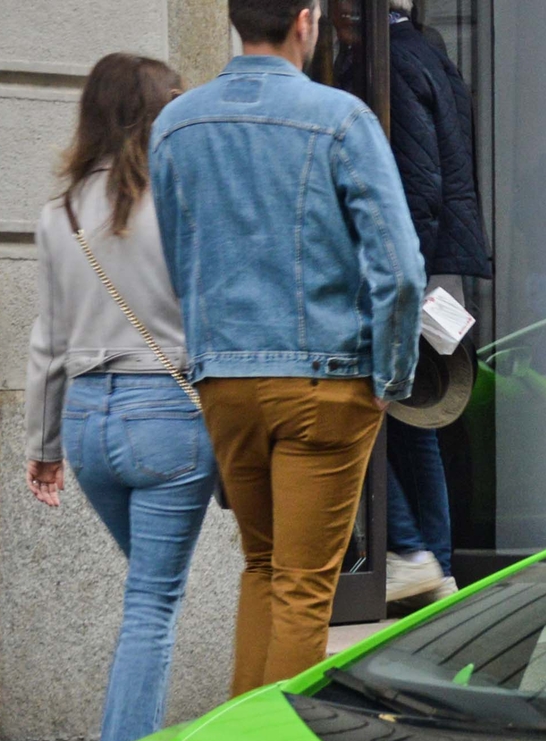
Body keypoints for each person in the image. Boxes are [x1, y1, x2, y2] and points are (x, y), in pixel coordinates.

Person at [150, 0, 424, 697]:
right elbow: (400, 270)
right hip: (324, 381)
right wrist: (389, 376)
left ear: (234, 23)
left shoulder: (176, 125)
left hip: (226, 381)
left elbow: (178, 262)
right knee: (305, 585)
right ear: (306, 21)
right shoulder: (341, 120)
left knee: (262, 567)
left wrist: (209, 358)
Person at [25, 54, 214, 741]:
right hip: (166, 413)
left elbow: (47, 339)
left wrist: (42, 446)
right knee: (153, 603)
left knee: (150, 589)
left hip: (86, 423)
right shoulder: (183, 198)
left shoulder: (61, 212)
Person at [333, 0, 489, 603]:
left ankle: (414, 552)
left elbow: (418, 181)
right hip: (431, 261)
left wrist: (404, 270)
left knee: (388, 407)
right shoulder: (429, 52)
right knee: (415, 414)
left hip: (410, 263)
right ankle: (436, 564)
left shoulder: (390, 61)